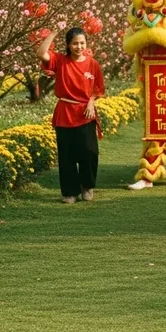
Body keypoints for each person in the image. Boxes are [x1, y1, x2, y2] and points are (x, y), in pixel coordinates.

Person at [37, 27, 104, 204]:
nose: (79, 46)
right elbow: (41, 52)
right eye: (75, 43)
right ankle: (70, 192)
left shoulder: (93, 64)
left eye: (82, 43)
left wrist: (91, 102)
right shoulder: (60, 60)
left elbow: (98, 89)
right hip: (65, 112)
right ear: (68, 44)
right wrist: (53, 34)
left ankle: (87, 186)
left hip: (85, 112)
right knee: (66, 155)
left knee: (89, 152)